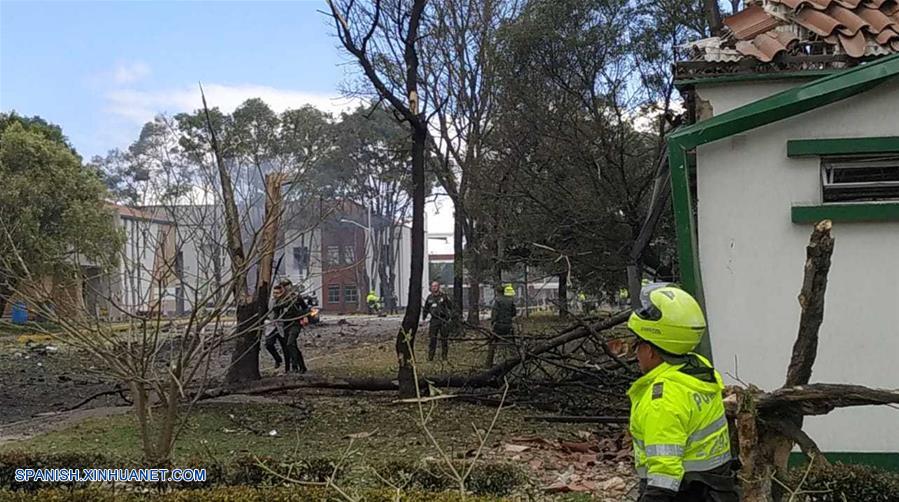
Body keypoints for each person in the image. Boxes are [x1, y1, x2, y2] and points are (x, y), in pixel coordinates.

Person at [626, 283, 739, 501]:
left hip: (686, 493)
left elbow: (664, 475)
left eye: (636, 345)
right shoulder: (698, 370)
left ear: (649, 350)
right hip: (718, 489)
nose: (635, 352)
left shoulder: (662, 399)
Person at [271, 279, 310, 374]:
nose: (287, 288)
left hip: (295, 323)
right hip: (286, 324)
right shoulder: (280, 299)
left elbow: (305, 308)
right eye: (284, 286)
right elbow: (276, 310)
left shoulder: (296, 297)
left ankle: (295, 366)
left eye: (288, 286)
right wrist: (275, 320)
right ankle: (302, 366)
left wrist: (305, 317)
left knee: (290, 343)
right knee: (292, 346)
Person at [422, 281, 453, 361]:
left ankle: (444, 357)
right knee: (432, 339)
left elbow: (450, 306)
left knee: (444, 339)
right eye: (432, 286)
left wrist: (450, 316)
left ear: (438, 287)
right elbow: (426, 309)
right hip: (434, 320)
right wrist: (424, 318)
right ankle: (430, 357)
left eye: (435, 286)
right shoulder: (429, 298)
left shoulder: (444, 296)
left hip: (443, 320)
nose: (434, 287)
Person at [487, 284, 517, 366]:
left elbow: (494, 315)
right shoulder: (510, 300)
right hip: (508, 326)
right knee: (511, 345)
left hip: (499, 327)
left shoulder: (497, 301)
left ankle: (496, 363)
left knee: (497, 345)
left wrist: (492, 324)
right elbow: (514, 313)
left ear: (497, 292)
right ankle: (516, 361)